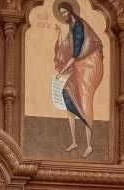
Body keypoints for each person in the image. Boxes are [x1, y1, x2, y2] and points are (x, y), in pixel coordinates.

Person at [52, 0, 103, 157]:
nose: (64, 15)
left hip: (88, 68)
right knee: (67, 93)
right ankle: (74, 141)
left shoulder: (79, 27)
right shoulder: (72, 27)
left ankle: (89, 145)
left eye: (65, 12)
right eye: (62, 13)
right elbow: (66, 46)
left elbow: (74, 55)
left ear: (71, 11)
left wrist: (61, 72)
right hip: (78, 67)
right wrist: (59, 34)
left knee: (85, 102)